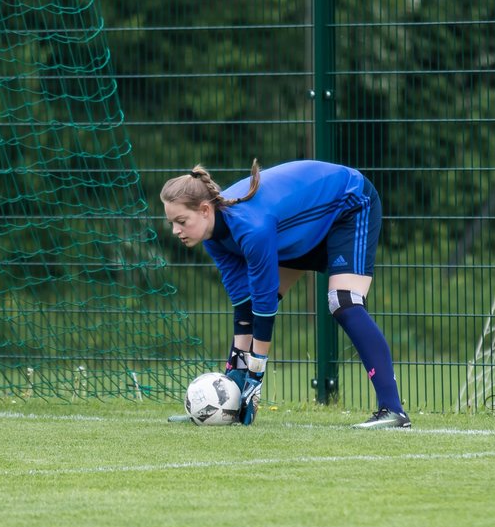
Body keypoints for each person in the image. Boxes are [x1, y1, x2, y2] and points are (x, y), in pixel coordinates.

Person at [161, 159, 411, 428]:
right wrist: (234, 383)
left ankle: (393, 410)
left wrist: (255, 376)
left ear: (205, 210)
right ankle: (230, 404)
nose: (176, 230)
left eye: (181, 221)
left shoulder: (252, 228)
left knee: (343, 301)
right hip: (298, 230)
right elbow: (245, 306)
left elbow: (265, 305)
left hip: (348, 203)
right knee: (252, 306)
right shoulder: (214, 238)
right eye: (172, 222)